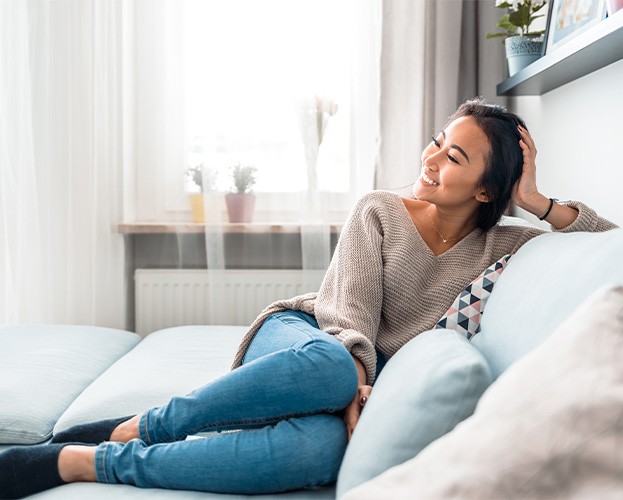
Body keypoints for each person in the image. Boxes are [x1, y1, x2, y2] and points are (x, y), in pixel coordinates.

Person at [0, 98, 617, 499]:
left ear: (488, 191)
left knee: (317, 453)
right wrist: (354, 386)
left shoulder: (503, 245)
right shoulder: (379, 208)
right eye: (436, 141)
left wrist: (534, 198)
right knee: (327, 363)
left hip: (356, 382)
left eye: (454, 157)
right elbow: (344, 318)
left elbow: (606, 245)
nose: (431, 159)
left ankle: (87, 462)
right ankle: (139, 428)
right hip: (308, 338)